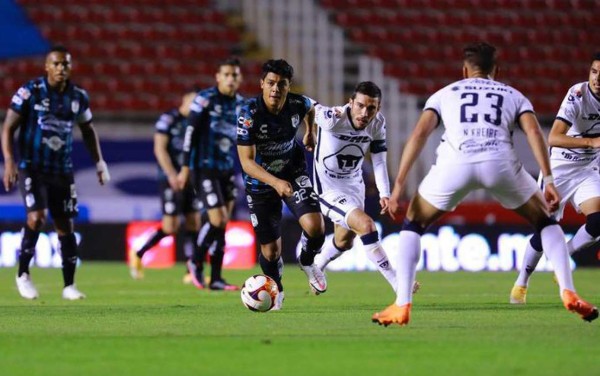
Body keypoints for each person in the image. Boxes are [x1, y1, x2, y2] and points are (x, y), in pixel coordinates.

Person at [372, 42, 598, 326]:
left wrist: (398, 186)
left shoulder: (444, 93)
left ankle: (402, 304)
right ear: (497, 70)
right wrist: (548, 179)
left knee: (413, 223)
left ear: (464, 70)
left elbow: (419, 135)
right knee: (547, 223)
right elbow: (534, 133)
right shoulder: (513, 94)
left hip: (454, 164)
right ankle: (568, 290)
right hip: (500, 163)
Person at [1, 45, 110, 300]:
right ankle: (23, 274)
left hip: (62, 169)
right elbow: (8, 127)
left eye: (66, 64)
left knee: (65, 226)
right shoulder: (30, 92)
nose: (62, 68)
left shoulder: (78, 97)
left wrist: (100, 162)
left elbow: (88, 129)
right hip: (32, 166)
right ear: (47, 67)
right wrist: (9, 161)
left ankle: (69, 286)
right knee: (37, 217)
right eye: (57, 64)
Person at [237, 59, 327, 309]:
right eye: (271, 83)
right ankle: (276, 290)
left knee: (316, 226)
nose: (276, 89)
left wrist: (311, 131)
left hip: (293, 170)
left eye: (282, 84)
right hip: (260, 183)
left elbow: (312, 108)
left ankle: (307, 261)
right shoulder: (249, 114)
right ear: (262, 84)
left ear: (289, 86)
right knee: (271, 253)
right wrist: (275, 182)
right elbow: (246, 162)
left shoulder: (298, 103)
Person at [510, 52, 600, 304]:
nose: (597, 78)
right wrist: (591, 142)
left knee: (598, 222)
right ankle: (522, 281)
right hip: (560, 168)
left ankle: (564, 255)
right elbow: (554, 137)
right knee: (543, 231)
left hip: (587, 169)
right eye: (594, 72)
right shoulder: (578, 95)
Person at [311, 81, 397, 290]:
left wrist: (385, 193)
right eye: (360, 105)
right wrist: (307, 131)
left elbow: (378, 159)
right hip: (327, 187)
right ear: (350, 103)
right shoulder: (333, 118)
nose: (365, 112)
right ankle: (398, 283)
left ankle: (317, 265)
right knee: (366, 226)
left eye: (371, 108)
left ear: (378, 108)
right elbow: (307, 105)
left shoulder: (378, 123)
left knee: (344, 242)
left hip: (354, 186)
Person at [177, 57, 245, 291]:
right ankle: (195, 261)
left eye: (234, 75)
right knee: (217, 219)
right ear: (218, 77)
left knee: (222, 225)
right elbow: (190, 133)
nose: (230, 79)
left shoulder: (241, 105)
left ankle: (216, 278)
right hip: (204, 168)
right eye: (226, 74)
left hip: (227, 169)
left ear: (240, 78)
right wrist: (185, 167)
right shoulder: (205, 99)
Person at [128, 91, 201, 281]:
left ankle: (190, 269)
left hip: (190, 177)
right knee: (171, 226)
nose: (195, 106)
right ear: (183, 101)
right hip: (169, 178)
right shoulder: (169, 119)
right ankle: (139, 253)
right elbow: (159, 148)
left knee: (194, 221)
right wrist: (171, 174)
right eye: (192, 102)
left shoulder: (198, 123)